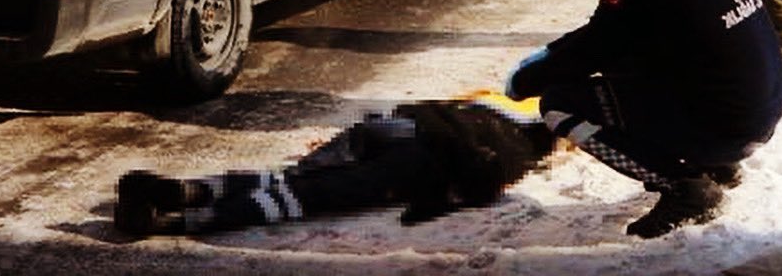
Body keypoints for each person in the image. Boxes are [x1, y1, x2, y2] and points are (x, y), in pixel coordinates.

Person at [504, 0, 782, 238]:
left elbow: (595, 47)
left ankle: (685, 188)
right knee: (635, 66)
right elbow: (625, 39)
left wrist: (527, 79)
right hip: (761, 112)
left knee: (560, 104)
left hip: (728, 126)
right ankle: (716, 163)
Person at [114, 92, 554, 236]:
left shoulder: (488, 110)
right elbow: (474, 186)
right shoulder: (515, 157)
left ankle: (182, 190)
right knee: (302, 196)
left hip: (394, 127)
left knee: (296, 175)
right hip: (416, 162)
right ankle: (169, 221)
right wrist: (430, 205)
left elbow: (426, 106)